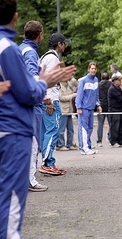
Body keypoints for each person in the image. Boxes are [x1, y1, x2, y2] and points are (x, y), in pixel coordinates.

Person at [0, 1, 76, 239]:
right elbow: (26, 89)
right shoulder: (10, 48)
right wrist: (44, 85)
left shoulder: (15, 47)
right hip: (12, 128)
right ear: (15, 16)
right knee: (10, 198)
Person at [19, 20, 49, 192]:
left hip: (20, 102)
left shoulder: (20, 49)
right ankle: (30, 179)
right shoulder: (30, 53)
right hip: (32, 103)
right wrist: (41, 94)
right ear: (39, 35)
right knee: (33, 141)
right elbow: (32, 75)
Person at [39, 32, 71, 175]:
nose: (65, 46)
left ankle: (47, 161)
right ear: (59, 44)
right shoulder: (52, 58)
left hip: (44, 98)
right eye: (64, 43)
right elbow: (49, 81)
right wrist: (49, 101)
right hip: (50, 99)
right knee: (52, 131)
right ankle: (47, 163)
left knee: (47, 131)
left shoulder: (45, 56)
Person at [75, 62, 102, 155]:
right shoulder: (83, 81)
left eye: (95, 69)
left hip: (91, 108)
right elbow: (79, 95)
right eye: (92, 68)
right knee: (83, 128)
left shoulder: (96, 80)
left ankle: (88, 146)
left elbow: (96, 94)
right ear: (88, 69)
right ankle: (84, 148)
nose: (93, 70)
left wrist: (98, 105)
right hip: (84, 108)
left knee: (90, 128)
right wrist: (78, 107)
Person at [58, 77, 78, 151]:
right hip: (63, 110)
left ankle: (70, 144)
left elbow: (76, 84)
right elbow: (61, 97)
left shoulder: (69, 85)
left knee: (71, 129)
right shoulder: (59, 86)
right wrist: (71, 96)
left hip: (69, 110)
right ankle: (61, 145)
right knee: (61, 129)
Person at [108, 75, 122, 147]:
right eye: (119, 80)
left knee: (121, 126)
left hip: (120, 109)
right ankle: (113, 141)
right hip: (114, 109)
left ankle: (120, 141)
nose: (121, 82)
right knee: (115, 127)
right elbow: (121, 98)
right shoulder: (112, 89)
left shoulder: (118, 88)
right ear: (115, 81)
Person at [97, 72, 111, 147]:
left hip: (101, 105)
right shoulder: (111, 85)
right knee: (110, 124)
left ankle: (99, 141)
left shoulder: (98, 85)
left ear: (101, 78)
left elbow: (97, 95)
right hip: (109, 106)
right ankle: (110, 138)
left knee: (100, 124)